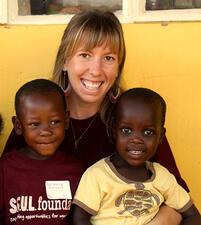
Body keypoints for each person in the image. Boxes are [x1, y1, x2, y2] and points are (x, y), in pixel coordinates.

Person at [3, 10, 188, 224]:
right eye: (85, 55)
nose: (96, 70)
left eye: (108, 58)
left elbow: (179, 204)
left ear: (118, 68)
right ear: (65, 61)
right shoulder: (36, 115)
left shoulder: (133, 119)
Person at [72, 87, 201, 225]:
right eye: (126, 130)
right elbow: (79, 219)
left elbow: (193, 216)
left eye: (148, 132)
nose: (136, 140)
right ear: (114, 131)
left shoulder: (163, 178)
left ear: (161, 136)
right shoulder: (97, 176)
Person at [0, 79, 85, 225]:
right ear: (18, 126)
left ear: (66, 120)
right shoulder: (4, 169)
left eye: (54, 122)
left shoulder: (77, 170)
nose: (46, 132)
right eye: (34, 124)